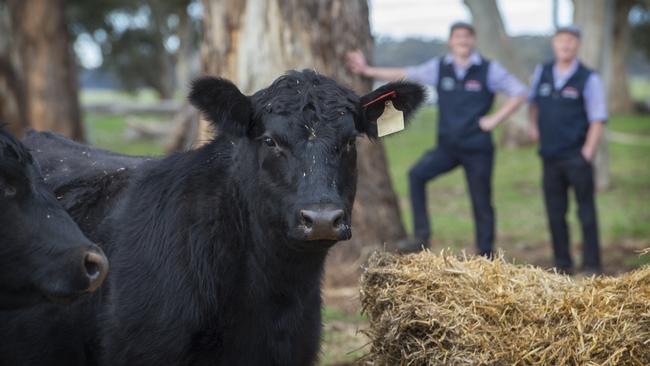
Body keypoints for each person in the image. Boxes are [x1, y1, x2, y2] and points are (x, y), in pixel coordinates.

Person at [347, 22, 527, 256]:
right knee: (416, 175)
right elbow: (406, 73)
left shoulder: (488, 69)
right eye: (458, 36)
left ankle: (486, 254)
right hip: (448, 147)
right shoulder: (440, 68)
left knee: (481, 201)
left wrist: (494, 120)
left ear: (473, 41)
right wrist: (368, 71)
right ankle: (421, 237)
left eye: (467, 36)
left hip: (478, 148)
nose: (463, 40)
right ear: (450, 42)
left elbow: (520, 92)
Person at [528, 26, 606, 275]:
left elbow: (598, 118)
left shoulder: (588, 77)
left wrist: (588, 151)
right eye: (562, 40)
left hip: (577, 157)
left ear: (577, 45)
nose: (566, 45)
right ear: (554, 44)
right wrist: (533, 128)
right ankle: (562, 264)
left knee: (586, 212)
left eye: (571, 41)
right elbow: (532, 104)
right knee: (555, 212)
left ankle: (592, 265)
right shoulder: (542, 72)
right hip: (549, 157)